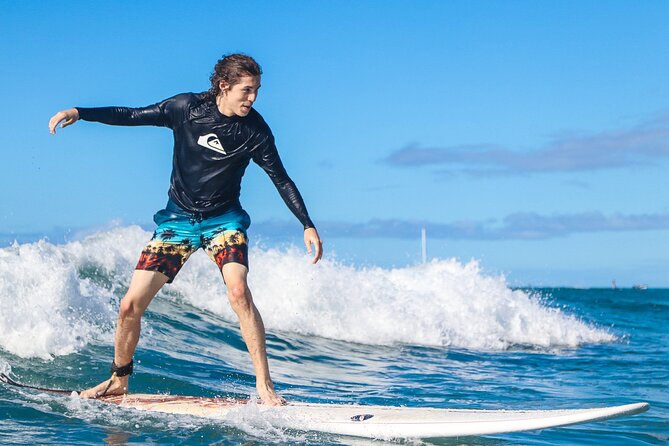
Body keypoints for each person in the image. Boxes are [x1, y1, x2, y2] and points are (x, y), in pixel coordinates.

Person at [48, 53, 322, 406]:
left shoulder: (255, 131)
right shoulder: (186, 108)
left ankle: (265, 386)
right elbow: (131, 115)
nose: (253, 99)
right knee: (129, 306)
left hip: (225, 221)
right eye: (247, 90)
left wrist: (307, 223)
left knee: (238, 292)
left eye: (257, 91)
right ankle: (118, 380)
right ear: (224, 86)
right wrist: (81, 113)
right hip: (177, 222)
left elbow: (281, 178)